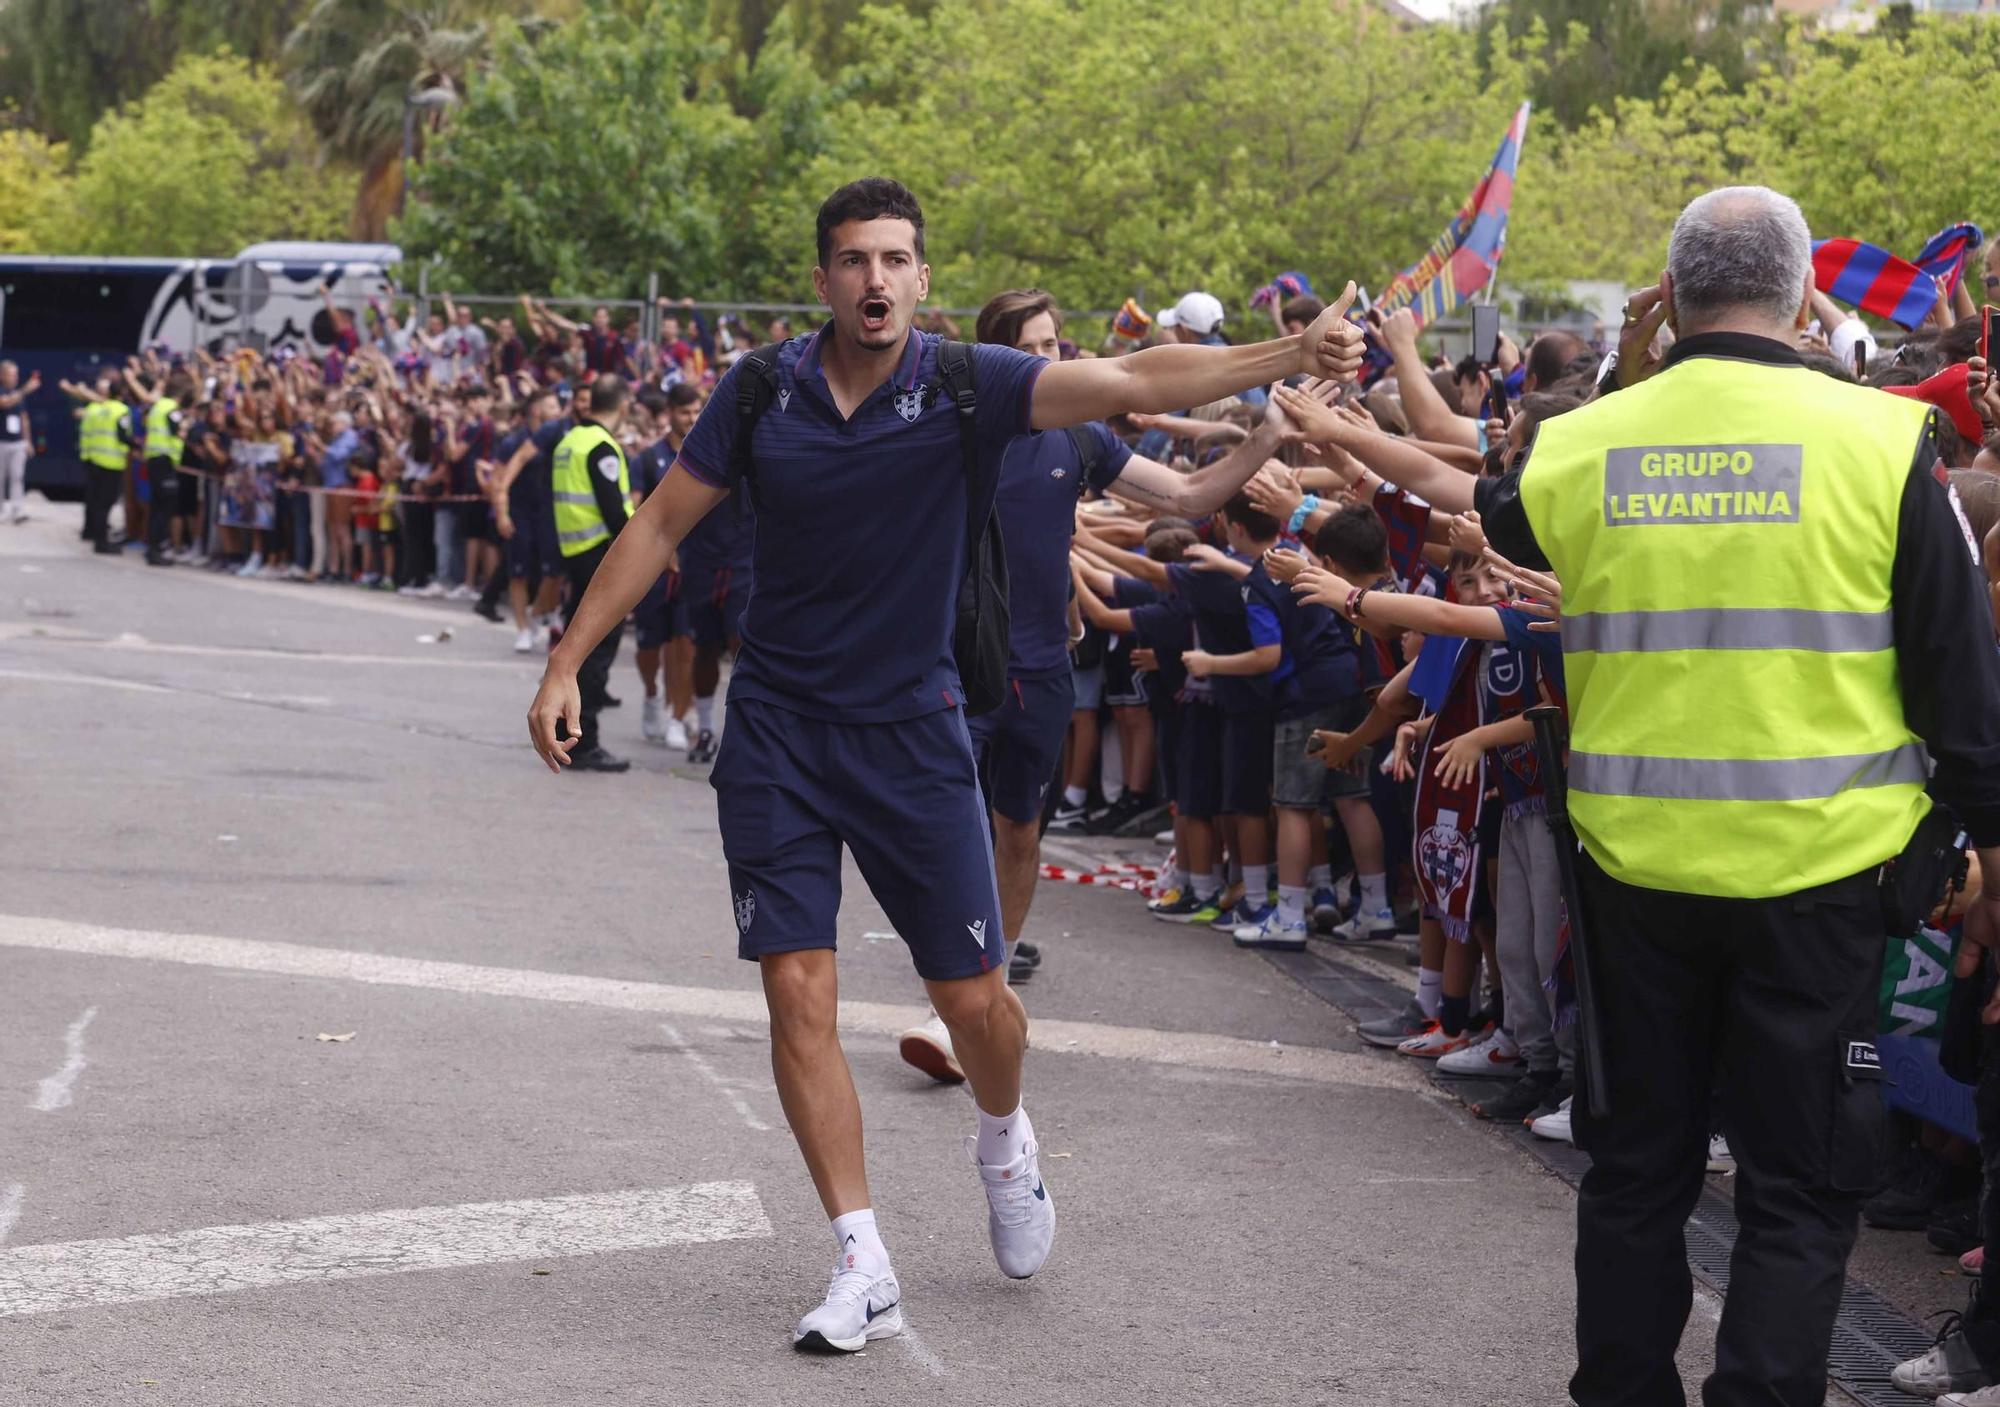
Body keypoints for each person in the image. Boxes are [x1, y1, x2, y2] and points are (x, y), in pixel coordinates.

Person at [526, 176, 1364, 1354]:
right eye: (853, 260)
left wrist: (1285, 353)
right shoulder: (763, 389)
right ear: (822, 278)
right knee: (795, 990)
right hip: (776, 730)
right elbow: (659, 522)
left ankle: (1004, 1139)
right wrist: (568, 660)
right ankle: (860, 1255)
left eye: (895, 260)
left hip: (912, 734)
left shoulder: (970, 385)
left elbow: (1133, 383)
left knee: (978, 1009)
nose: (874, 279)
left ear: (922, 279)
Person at [1368, 184, 2000, 1407]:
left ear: (1664, 300)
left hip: (1631, 884)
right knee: (1798, 1190)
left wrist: (1627, 369)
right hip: (1821, 885)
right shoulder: (1878, 440)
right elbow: (1959, 691)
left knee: (1634, 1173)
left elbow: (1497, 505)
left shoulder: (1588, 441)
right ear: (1808, 297)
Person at [547, 373, 637, 773]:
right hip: (601, 555)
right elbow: (614, 511)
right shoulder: (601, 445)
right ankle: (586, 742)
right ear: (621, 406)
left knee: (577, 650)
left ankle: (565, 735)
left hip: (574, 551)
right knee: (596, 653)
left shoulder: (568, 442)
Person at [0, 361, 39, 524]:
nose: (15, 378)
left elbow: (24, 419)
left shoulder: (18, 394)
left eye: (16, 374)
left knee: (17, 476)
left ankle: (18, 510)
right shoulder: (5, 392)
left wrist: (28, 441)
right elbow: (4, 403)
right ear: (2, 375)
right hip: (1, 442)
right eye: (12, 374)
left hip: (17, 443)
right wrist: (26, 389)